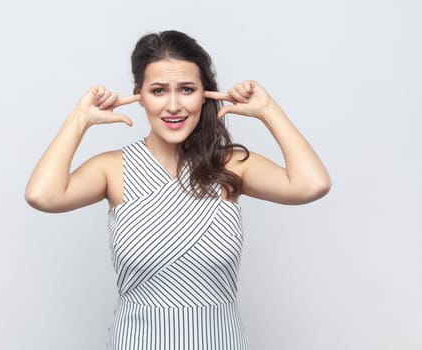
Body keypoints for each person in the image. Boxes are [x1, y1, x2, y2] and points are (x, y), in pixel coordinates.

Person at [25, 30, 331, 350]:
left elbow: (313, 184)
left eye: (187, 89)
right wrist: (80, 118)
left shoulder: (230, 166)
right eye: (158, 90)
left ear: (205, 94)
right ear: (139, 95)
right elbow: (42, 195)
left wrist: (268, 110)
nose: (173, 106)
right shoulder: (112, 169)